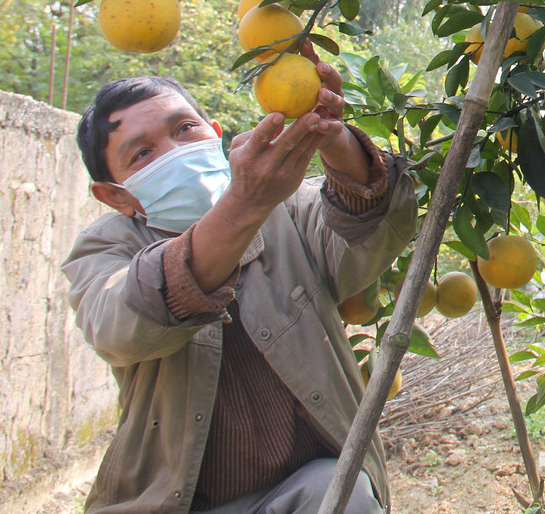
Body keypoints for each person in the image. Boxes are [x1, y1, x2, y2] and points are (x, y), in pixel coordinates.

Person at [62, 47, 416, 513]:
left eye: (184, 129)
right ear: (115, 195)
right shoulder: (103, 249)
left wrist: (331, 136)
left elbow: (366, 225)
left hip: (306, 492)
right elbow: (119, 324)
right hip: (187, 505)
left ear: (213, 133)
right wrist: (243, 205)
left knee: (341, 490)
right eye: (143, 153)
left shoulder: (286, 209)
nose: (176, 152)